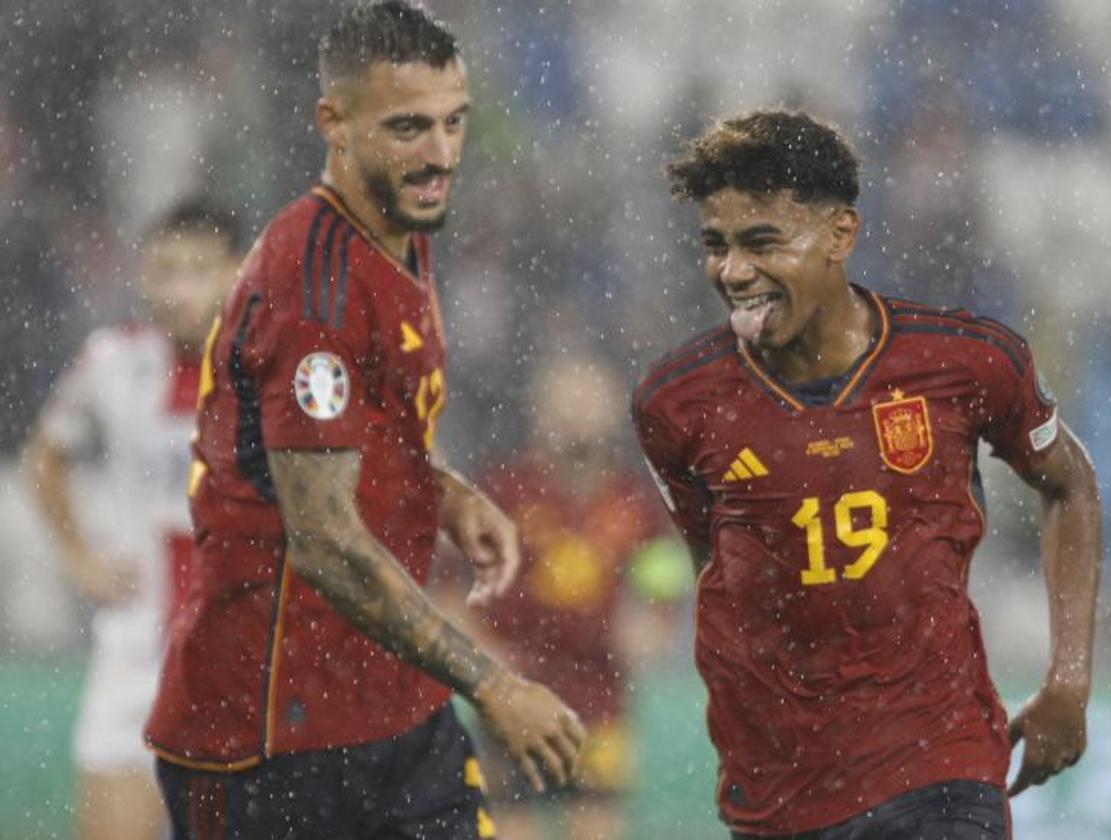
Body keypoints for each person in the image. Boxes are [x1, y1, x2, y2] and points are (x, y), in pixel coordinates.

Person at [144, 3, 584, 838]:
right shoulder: (313, 290)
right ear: (334, 124)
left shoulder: (398, 226)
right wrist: (494, 684)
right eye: (410, 128)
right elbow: (326, 543)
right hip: (266, 740)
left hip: (390, 706)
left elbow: (372, 423)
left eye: (455, 123)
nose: (441, 155)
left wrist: (444, 491)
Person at [632, 109, 1102, 839]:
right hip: (778, 788)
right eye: (715, 246)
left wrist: (1069, 680)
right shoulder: (676, 403)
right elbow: (714, 565)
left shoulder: (964, 361)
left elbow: (1069, 485)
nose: (733, 271)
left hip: (938, 764)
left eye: (762, 242)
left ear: (840, 236)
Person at [24, 199, 243, 840]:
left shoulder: (270, 369)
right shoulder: (113, 362)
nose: (176, 290)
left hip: (241, 655)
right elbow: (45, 458)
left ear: (237, 271)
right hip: (136, 649)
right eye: (163, 271)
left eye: (197, 270)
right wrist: (78, 557)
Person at [451, 354, 685, 840]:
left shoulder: (634, 501)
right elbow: (451, 593)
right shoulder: (504, 488)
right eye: (565, 401)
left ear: (609, 411)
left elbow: (662, 588)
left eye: (588, 401)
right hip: (513, 704)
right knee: (510, 827)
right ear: (540, 409)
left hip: (598, 703)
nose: (577, 413)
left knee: (596, 826)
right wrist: (487, 666)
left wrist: (651, 629)